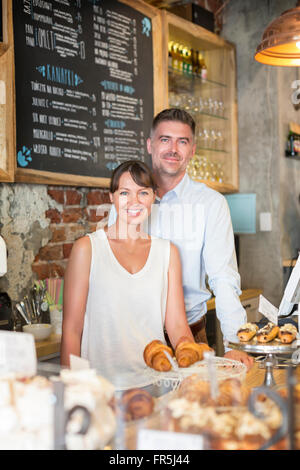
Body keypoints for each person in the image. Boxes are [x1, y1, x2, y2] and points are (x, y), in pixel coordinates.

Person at [109, 108, 253, 370]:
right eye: (165, 140)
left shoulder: (212, 204)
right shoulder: (126, 202)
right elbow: (112, 272)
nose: (173, 149)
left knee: (191, 409)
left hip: (190, 337)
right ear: (150, 145)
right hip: (132, 337)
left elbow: (224, 278)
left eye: (182, 141)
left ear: (192, 149)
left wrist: (233, 343)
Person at [60, 160, 196, 390]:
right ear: (112, 197)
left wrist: (194, 374)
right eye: (125, 193)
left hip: (157, 382)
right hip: (100, 387)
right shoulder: (87, 248)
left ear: (154, 197)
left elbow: (177, 326)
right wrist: (71, 390)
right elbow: (72, 329)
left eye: (143, 192)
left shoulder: (167, 252)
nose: (134, 201)